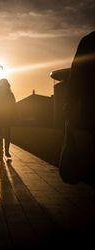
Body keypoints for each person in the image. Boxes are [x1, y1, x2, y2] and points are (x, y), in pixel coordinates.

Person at [59, 30, 95, 183]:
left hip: (90, 110)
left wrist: (69, 107)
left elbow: (75, 79)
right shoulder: (88, 41)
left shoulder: (89, 41)